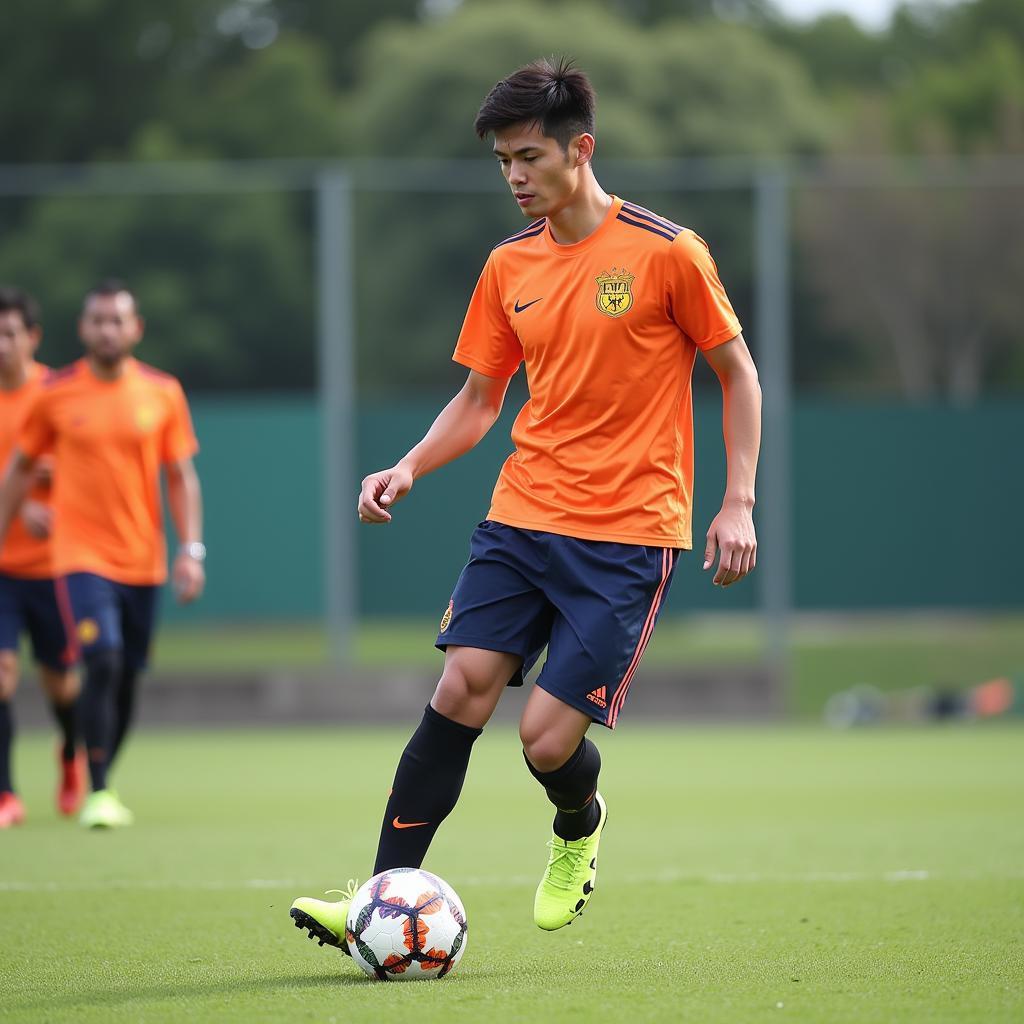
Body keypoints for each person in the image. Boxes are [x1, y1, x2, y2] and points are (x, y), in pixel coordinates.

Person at [290, 57, 761, 949]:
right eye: (503, 161)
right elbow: (478, 400)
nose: (514, 176)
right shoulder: (509, 266)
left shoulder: (667, 251)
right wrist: (408, 467)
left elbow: (738, 374)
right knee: (461, 687)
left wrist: (736, 503)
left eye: (530, 157)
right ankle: (377, 901)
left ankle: (579, 824)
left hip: (627, 537)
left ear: (582, 149)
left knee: (545, 741)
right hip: (521, 515)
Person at [0, 280, 205, 829]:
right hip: (78, 556)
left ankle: (94, 766)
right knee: (103, 658)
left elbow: (180, 476)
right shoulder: (57, 394)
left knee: (128, 675)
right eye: (97, 320)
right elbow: (20, 467)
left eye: (117, 320)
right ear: (82, 328)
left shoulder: (162, 392)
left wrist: (191, 551)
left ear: (136, 328)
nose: (107, 330)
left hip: (143, 560)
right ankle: (99, 789)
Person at [0, 287, 82, 828]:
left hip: (57, 566)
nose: (1, 344)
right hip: (3, 567)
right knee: (2, 674)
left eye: (9, 333)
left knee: (62, 686)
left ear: (32, 338)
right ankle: (7, 792)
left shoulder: (57, 394)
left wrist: (53, 486)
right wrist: (22, 499)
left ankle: (71, 751)